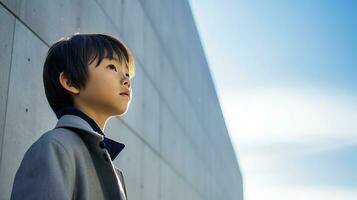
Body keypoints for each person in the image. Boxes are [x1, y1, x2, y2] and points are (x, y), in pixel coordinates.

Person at [10, 33, 135, 200]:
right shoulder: (54, 148)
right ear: (70, 82)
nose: (126, 80)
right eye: (112, 67)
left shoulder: (110, 169)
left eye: (127, 73)